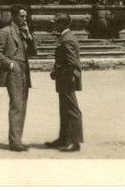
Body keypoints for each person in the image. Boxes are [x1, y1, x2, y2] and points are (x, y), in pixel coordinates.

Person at [0, 5, 38, 151]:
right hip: (13, 71)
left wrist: (29, 37)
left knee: (23, 106)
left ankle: (18, 139)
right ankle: (14, 142)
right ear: (14, 16)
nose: (25, 19)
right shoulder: (5, 32)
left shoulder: (23, 32)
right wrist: (10, 64)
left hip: (25, 71)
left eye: (26, 16)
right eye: (22, 16)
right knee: (16, 105)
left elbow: (33, 53)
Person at [47, 13, 83, 152]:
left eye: (55, 23)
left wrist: (65, 77)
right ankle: (63, 138)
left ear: (62, 24)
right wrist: (56, 72)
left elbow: (70, 63)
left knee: (72, 110)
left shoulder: (67, 39)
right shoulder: (65, 37)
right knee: (64, 109)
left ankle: (75, 142)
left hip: (68, 79)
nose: (53, 25)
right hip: (64, 77)